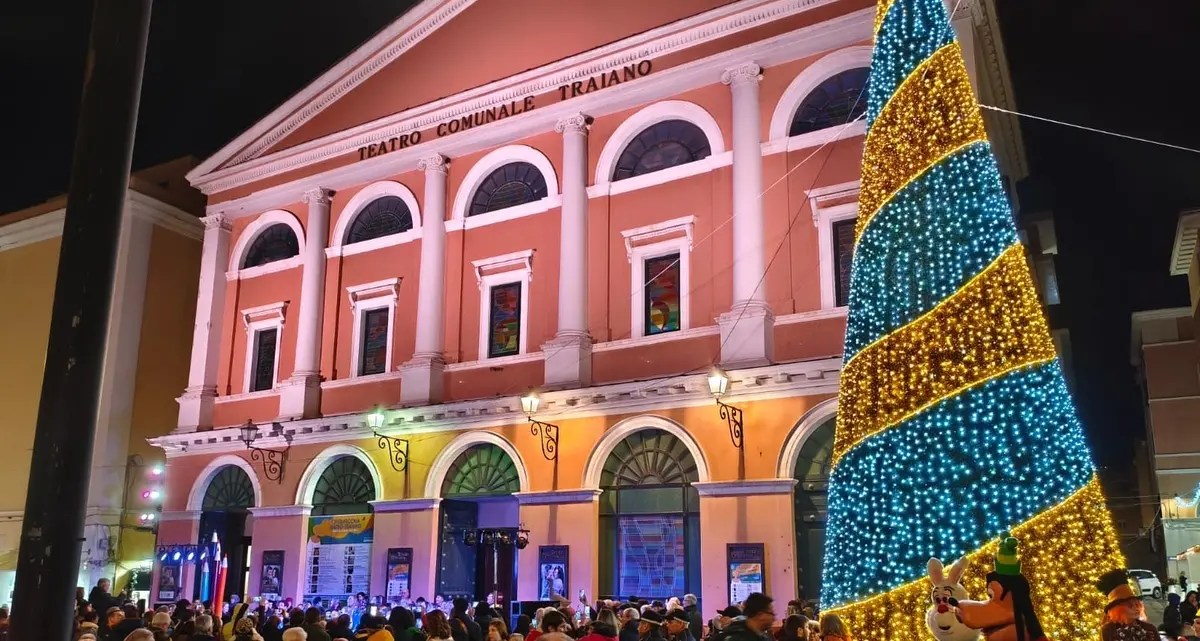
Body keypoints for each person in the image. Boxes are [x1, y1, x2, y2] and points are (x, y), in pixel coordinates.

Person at [1097, 569, 1158, 641]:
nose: (1136, 608)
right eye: (1130, 605)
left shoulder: (1149, 629)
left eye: (1137, 604)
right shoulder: (1108, 631)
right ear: (1117, 609)